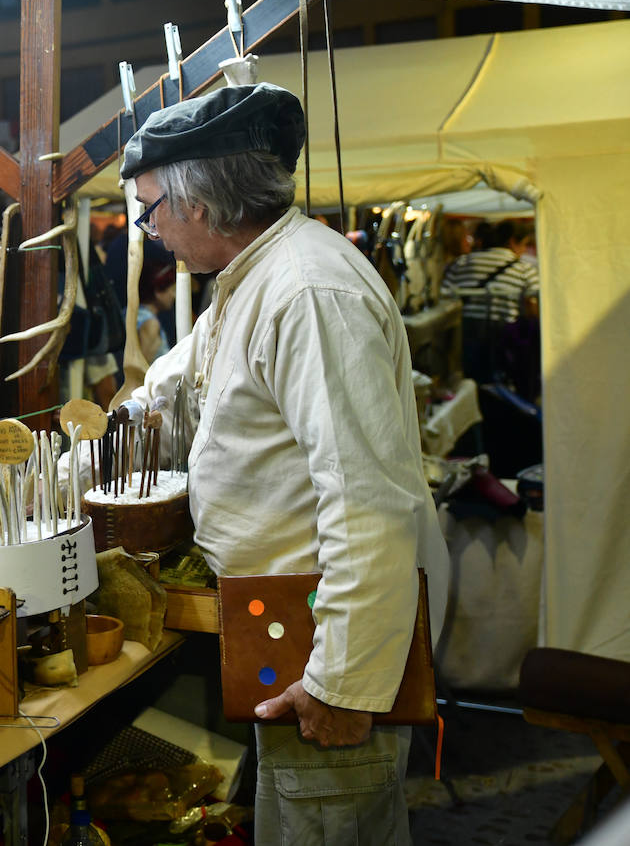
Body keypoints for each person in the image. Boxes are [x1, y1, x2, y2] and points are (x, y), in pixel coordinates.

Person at [110, 83, 449, 845]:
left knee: (327, 821)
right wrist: (110, 428)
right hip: (284, 626)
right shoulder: (253, 276)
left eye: (150, 207)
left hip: (319, 642)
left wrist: (340, 681)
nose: (149, 228)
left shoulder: (305, 291)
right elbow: (184, 376)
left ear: (197, 204)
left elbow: (367, 499)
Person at [441, 220, 539, 384]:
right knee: (501, 383)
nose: (523, 251)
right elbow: (533, 304)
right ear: (512, 242)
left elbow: (445, 298)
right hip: (505, 333)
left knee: (469, 382)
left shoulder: (460, 263)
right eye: (523, 245)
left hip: (464, 333)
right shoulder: (524, 268)